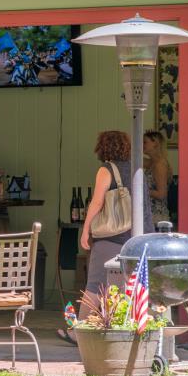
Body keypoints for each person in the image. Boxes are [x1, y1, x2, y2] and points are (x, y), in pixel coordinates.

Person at [59, 130, 131, 344]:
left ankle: (80, 333)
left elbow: (97, 202)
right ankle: (119, 328)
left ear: (103, 147)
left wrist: (86, 229)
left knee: (96, 284)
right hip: (134, 236)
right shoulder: (136, 169)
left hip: (111, 237)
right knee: (125, 285)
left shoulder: (107, 170)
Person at [143, 130, 174, 230]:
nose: (142, 145)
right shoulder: (152, 163)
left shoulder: (159, 165)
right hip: (151, 215)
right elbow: (133, 158)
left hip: (157, 218)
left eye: (145, 142)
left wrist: (142, 190)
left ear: (155, 143)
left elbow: (161, 194)